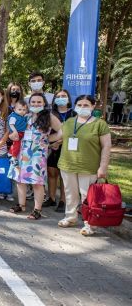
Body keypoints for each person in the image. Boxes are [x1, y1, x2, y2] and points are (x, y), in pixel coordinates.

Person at [56, 95, 111, 236]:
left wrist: (103, 167)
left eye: (86, 105)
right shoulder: (69, 122)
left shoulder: (100, 124)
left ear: (93, 106)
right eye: (79, 105)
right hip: (67, 164)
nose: (82, 107)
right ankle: (70, 217)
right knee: (70, 194)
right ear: (75, 106)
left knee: (88, 197)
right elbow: (59, 137)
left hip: (89, 166)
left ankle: (90, 223)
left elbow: (106, 146)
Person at [8, 93, 62, 220]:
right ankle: (21, 205)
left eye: (39, 102)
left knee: (37, 182)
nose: (36, 104)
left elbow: (62, 130)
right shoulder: (26, 116)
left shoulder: (49, 117)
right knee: (20, 179)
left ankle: (37, 209)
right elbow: (14, 129)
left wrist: (49, 139)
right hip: (22, 151)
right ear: (29, 104)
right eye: (33, 102)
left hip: (37, 154)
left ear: (44, 104)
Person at [44, 90, 76, 212]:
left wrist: (59, 142)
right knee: (52, 172)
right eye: (58, 96)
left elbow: (75, 132)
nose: (61, 98)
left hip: (68, 148)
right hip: (52, 147)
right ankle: (51, 198)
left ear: (68, 99)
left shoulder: (74, 114)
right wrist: (52, 143)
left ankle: (63, 200)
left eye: (64, 96)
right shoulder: (50, 113)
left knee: (64, 175)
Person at [7, 100, 29, 166]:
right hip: (17, 132)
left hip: (21, 132)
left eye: (24, 110)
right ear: (14, 109)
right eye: (19, 109)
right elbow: (11, 124)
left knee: (16, 144)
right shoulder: (14, 116)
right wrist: (15, 131)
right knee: (17, 143)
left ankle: (10, 152)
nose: (22, 111)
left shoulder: (22, 116)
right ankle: (13, 157)